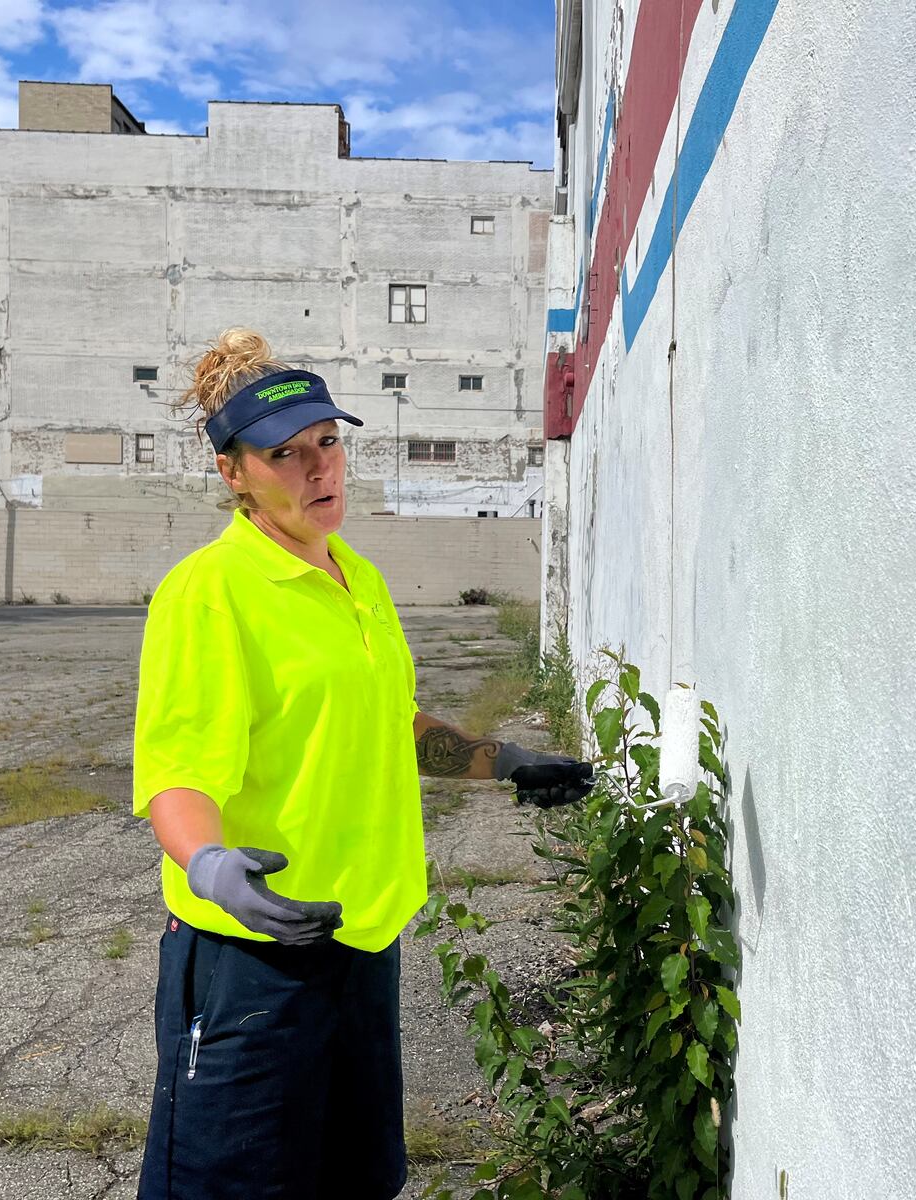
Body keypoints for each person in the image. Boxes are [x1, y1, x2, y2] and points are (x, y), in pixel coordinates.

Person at [133, 329, 593, 1200]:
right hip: (253, 960)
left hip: (363, 944)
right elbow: (176, 774)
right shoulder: (211, 591)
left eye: (328, 442)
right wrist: (209, 863)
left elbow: (393, 726)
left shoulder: (358, 578)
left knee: (355, 1181)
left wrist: (504, 762)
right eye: (285, 454)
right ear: (234, 474)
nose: (318, 469)